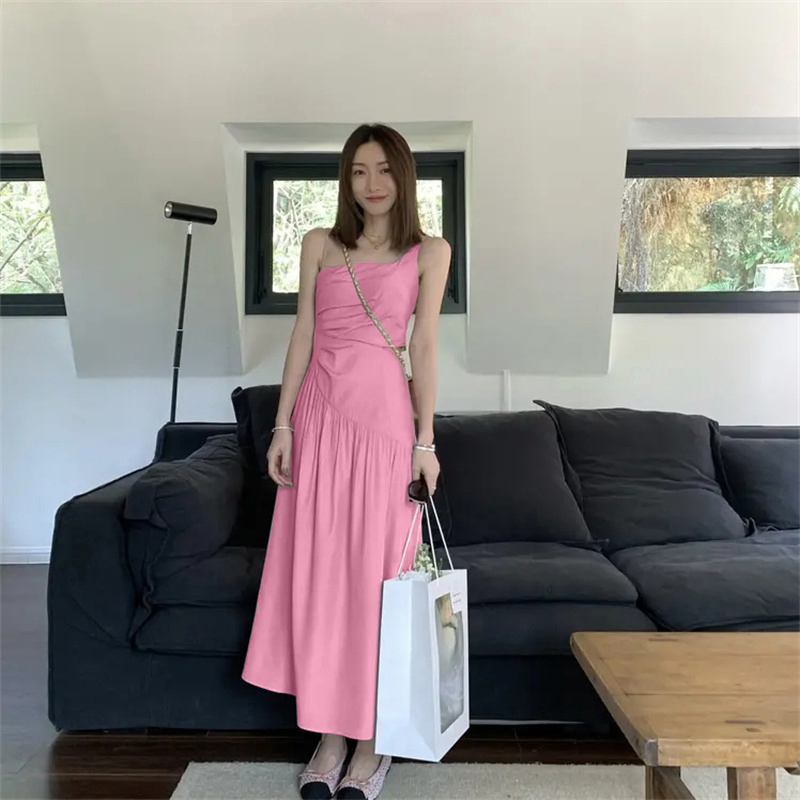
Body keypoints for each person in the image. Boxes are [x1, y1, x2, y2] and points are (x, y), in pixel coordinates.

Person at [241, 122, 452, 800]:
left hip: (385, 426)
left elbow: (424, 346)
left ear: (404, 175)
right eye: (359, 171)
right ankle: (328, 736)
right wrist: (282, 425)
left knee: (376, 579)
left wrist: (425, 441)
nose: (372, 183)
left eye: (384, 169)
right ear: (346, 179)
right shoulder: (318, 243)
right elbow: (303, 332)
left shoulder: (430, 252)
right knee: (322, 576)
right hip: (318, 421)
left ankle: (370, 740)